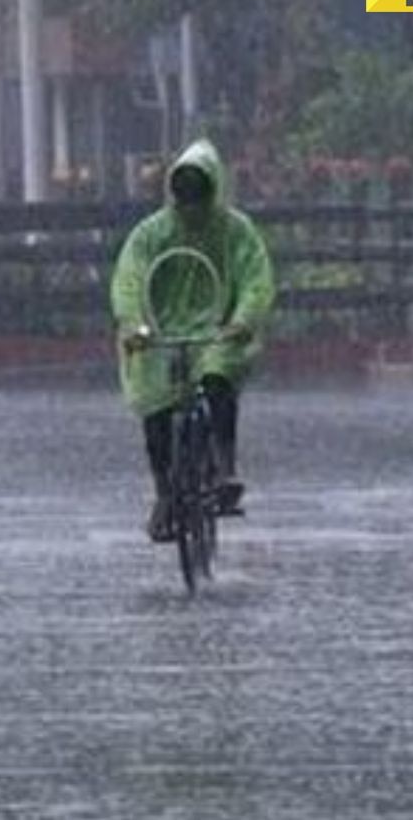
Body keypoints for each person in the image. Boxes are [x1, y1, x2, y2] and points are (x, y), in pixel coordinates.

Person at [110, 139, 275, 543]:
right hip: (159, 332)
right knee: (155, 413)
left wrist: (242, 320)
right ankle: (165, 492)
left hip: (218, 329)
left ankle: (224, 466)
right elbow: (129, 279)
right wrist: (133, 324)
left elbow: (255, 278)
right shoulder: (152, 233)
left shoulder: (235, 231)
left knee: (218, 379)